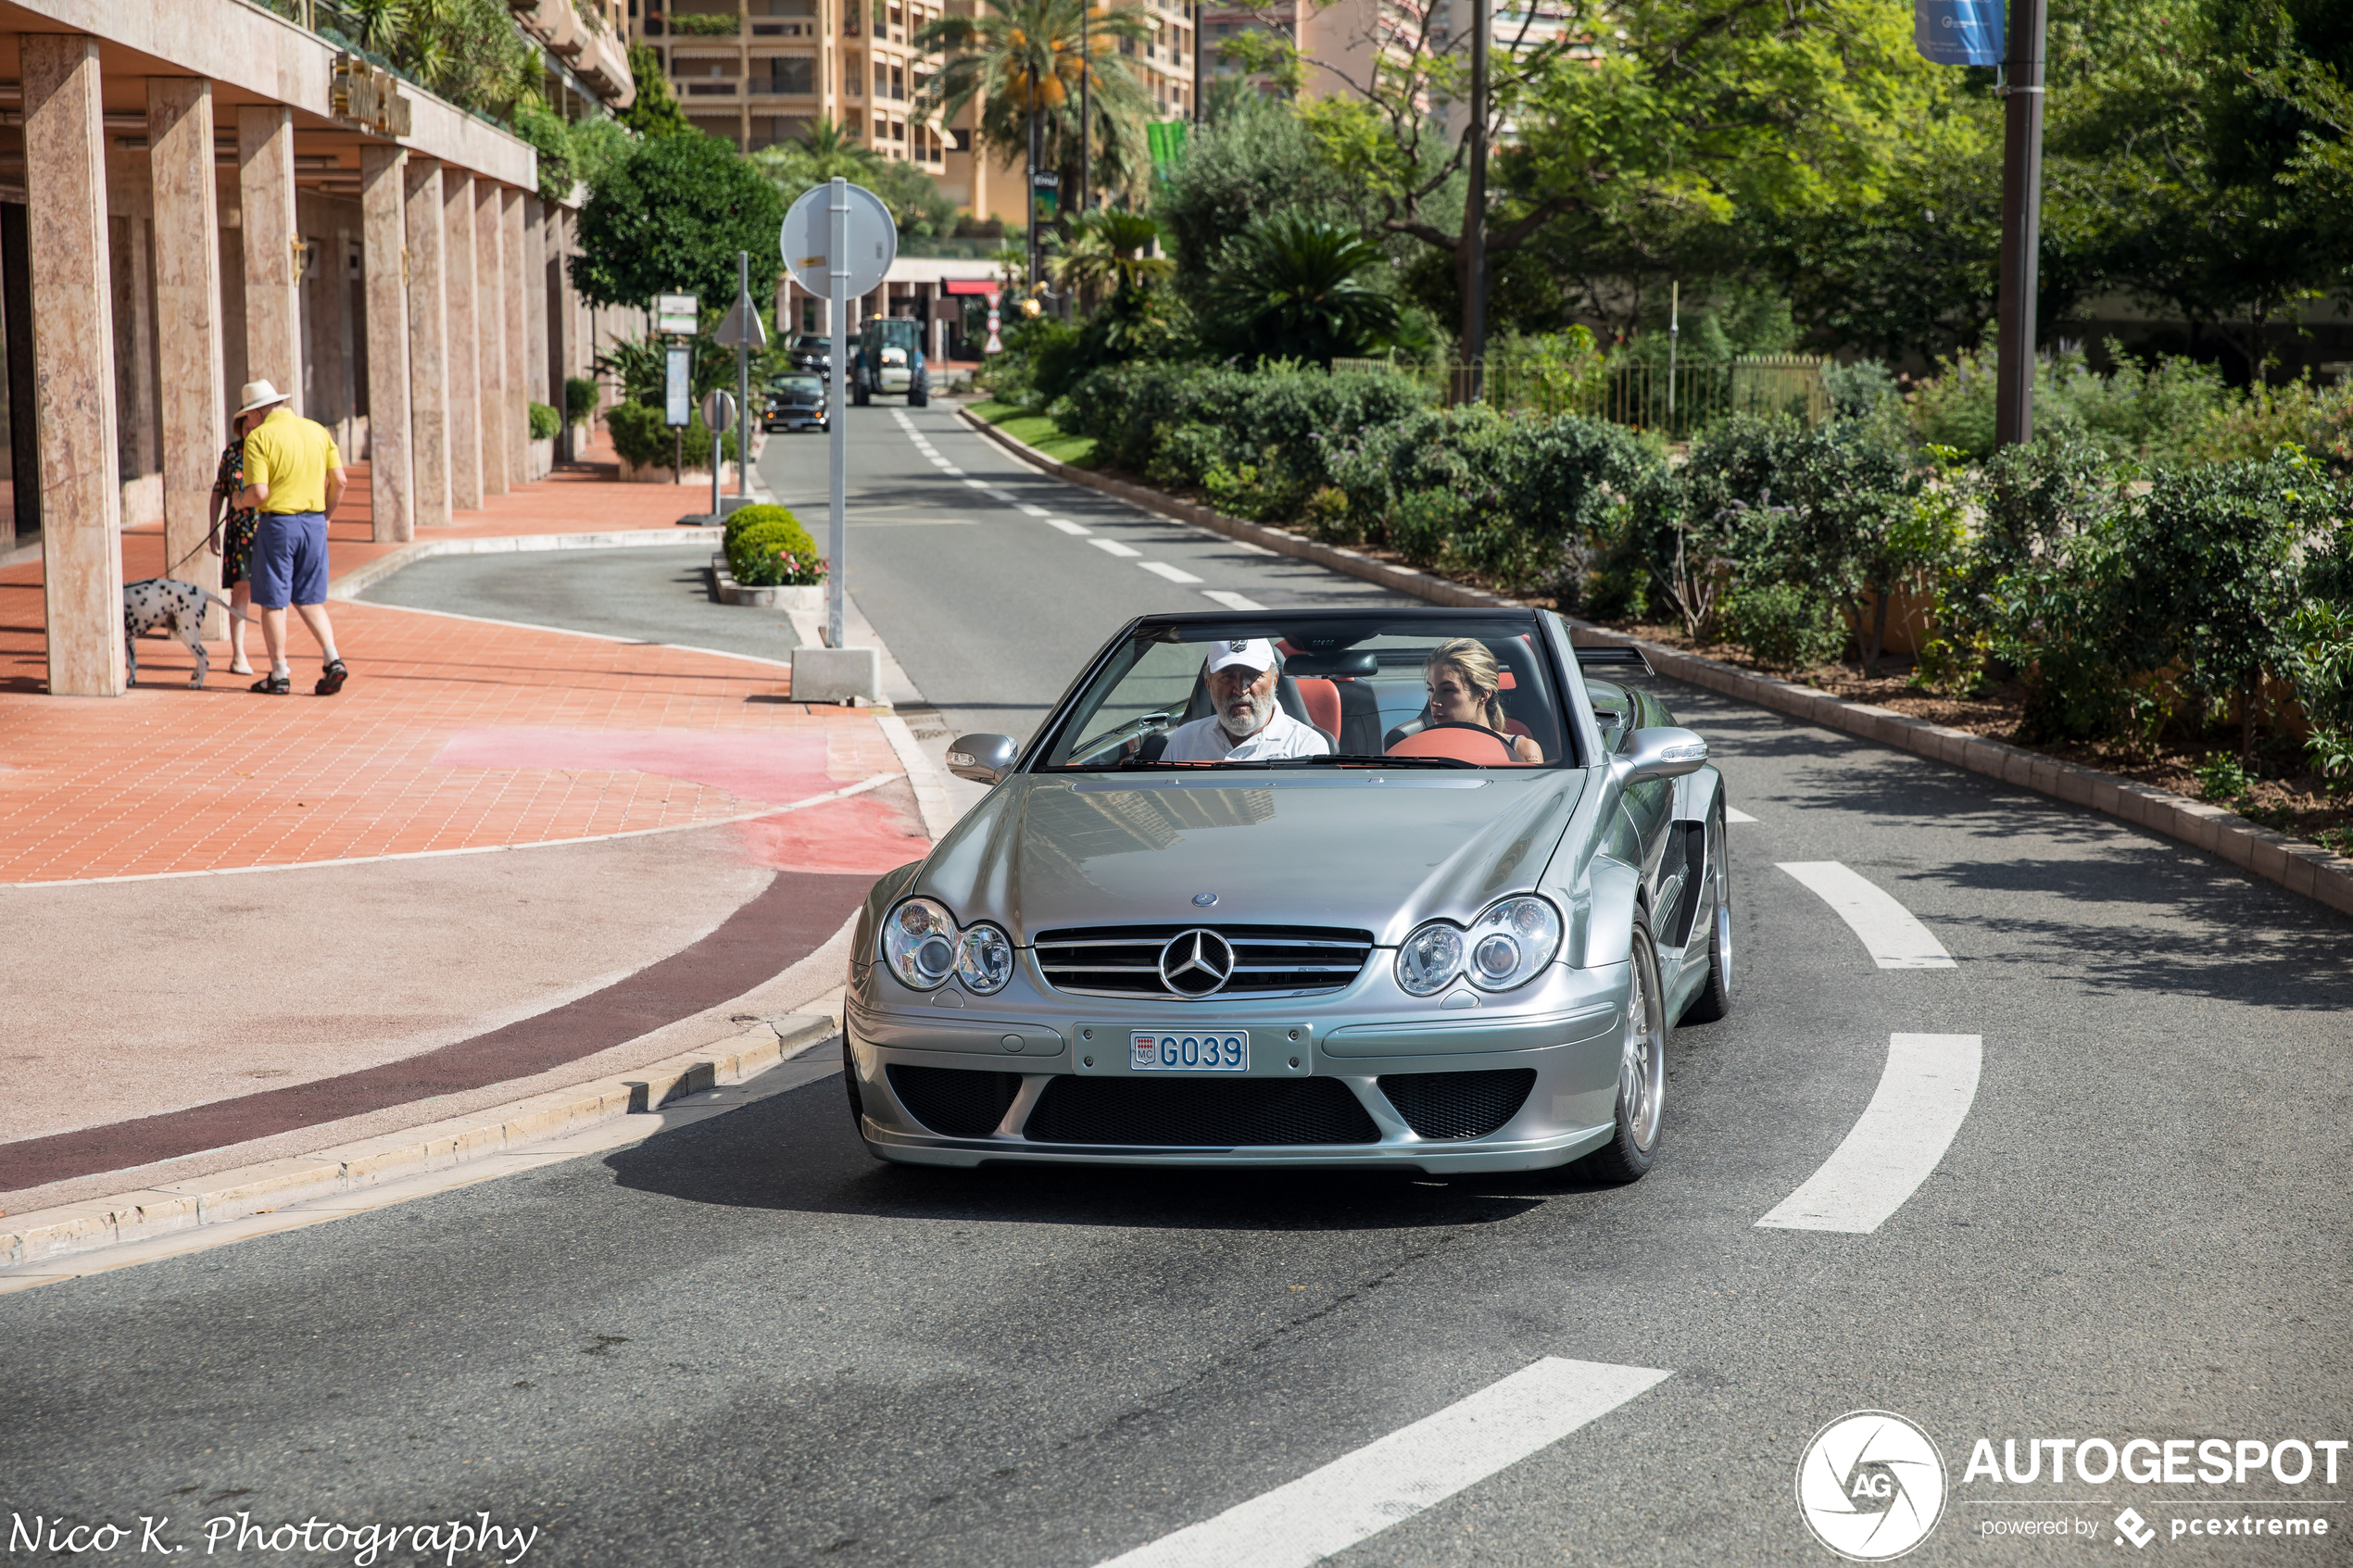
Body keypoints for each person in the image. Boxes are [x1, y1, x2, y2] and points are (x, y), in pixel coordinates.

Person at [233, 380, 348, 696]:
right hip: (313, 523)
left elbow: (259, 492)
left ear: (256, 413)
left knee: (273, 602)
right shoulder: (318, 431)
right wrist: (326, 516)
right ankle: (332, 658)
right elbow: (340, 480)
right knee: (310, 597)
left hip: (279, 525)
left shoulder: (258, 438)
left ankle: (279, 673)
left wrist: (238, 501)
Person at [1159, 638, 1332, 762]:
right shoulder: (1184, 740)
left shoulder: (1306, 747)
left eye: (1253, 676)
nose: (1241, 689)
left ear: (1274, 680)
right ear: (1208, 684)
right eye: (1228, 676)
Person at [206, 404, 264, 677]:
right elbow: (219, 490)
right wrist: (212, 528)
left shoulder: (269, 448)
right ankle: (238, 654)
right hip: (239, 531)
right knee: (241, 590)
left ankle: (276, 657)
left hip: (267, 530)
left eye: (255, 423)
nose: (251, 429)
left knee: (272, 593)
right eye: (246, 425)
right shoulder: (231, 453)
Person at [1421, 638, 1543, 762]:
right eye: (1431, 690)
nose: (1434, 702)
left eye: (1448, 690)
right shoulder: (1417, 750)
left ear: (1482, 694)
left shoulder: (1521, 751)